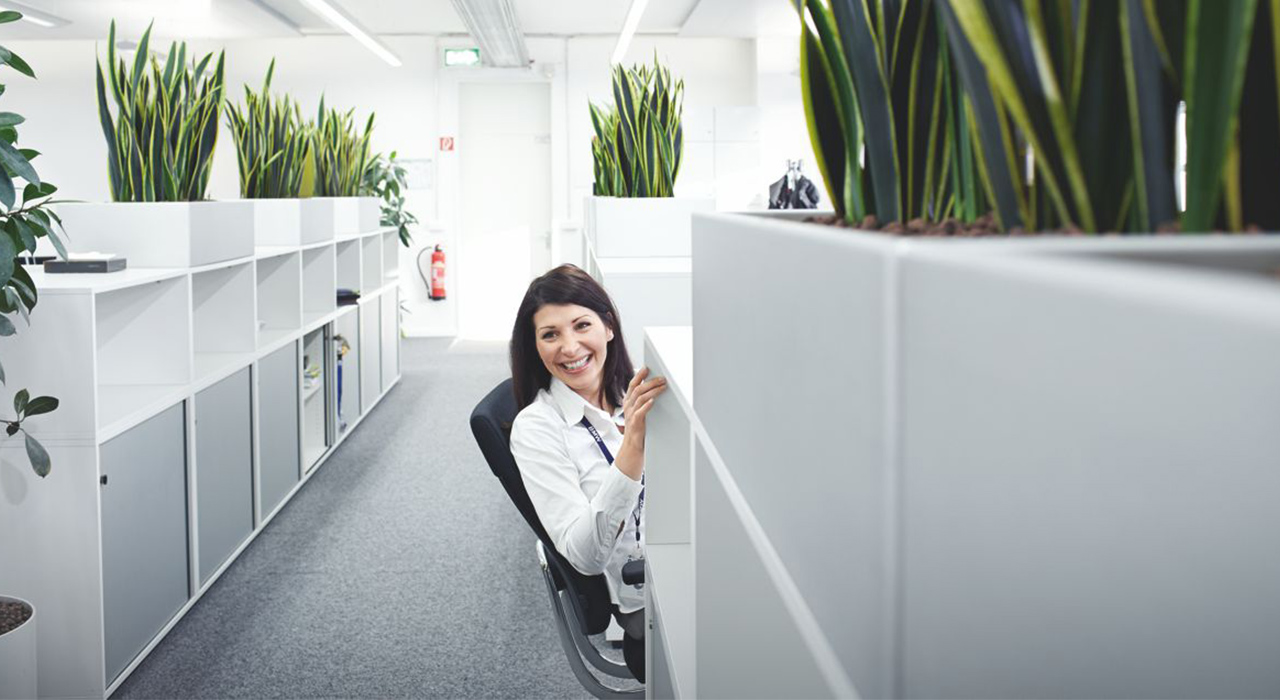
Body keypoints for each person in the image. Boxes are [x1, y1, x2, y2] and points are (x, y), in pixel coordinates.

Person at [508, 264, 667, 683]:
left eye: (582, 325)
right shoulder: (538, 427)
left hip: (687, 563)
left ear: (609, 327)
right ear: (535, 346)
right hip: (650, 608)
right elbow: (587, 556)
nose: (570, 346)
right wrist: (632, 445)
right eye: (550, 334)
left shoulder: (632, 395)